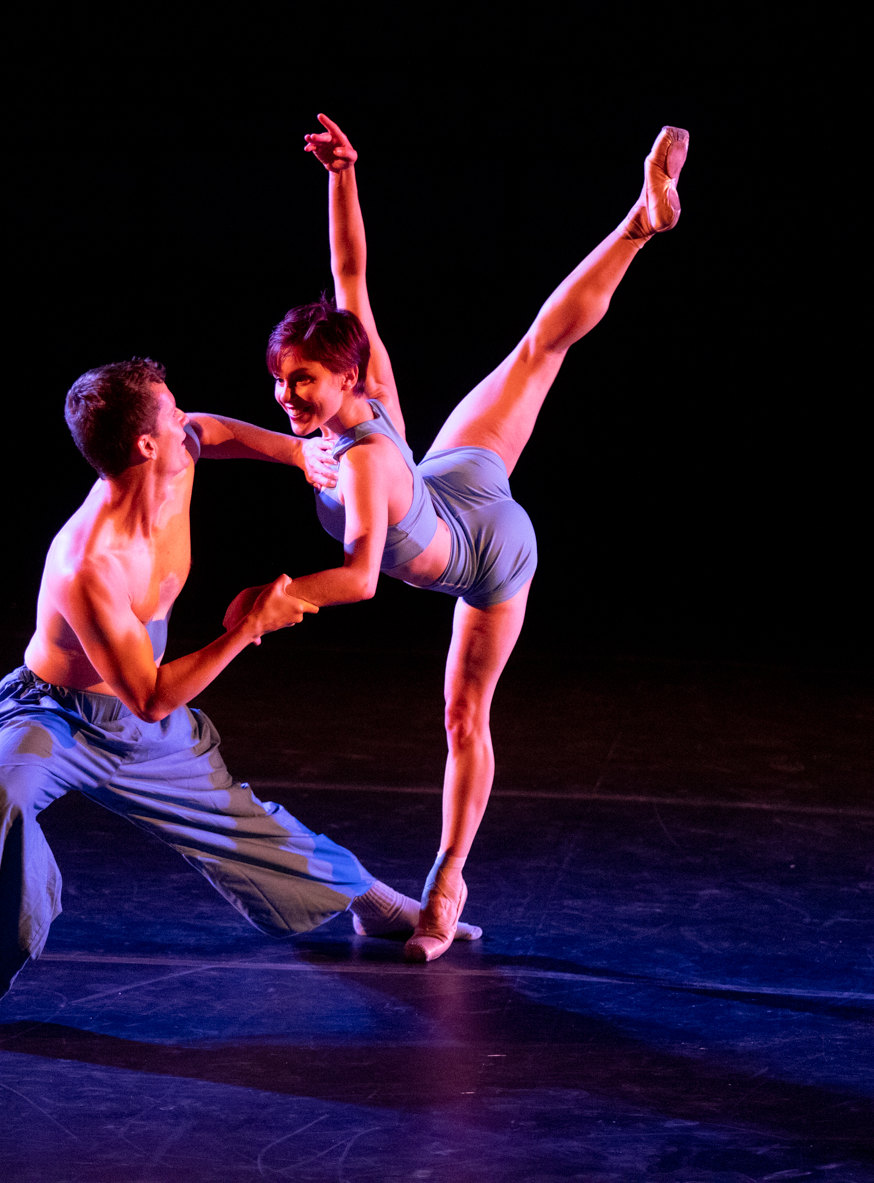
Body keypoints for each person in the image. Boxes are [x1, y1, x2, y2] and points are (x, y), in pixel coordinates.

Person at [0, 357, 475, 1040]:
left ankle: (372, 902)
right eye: (171, 415)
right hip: (53, 717)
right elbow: (149, 694)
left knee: (241, 819)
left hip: (136, 726)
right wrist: (247, 630)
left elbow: (215, 430)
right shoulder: (89, 564)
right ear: (144, 445)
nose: (186, 420)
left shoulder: (181, 456)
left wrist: (298, 455)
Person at [225, 115, 687, 963]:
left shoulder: (361, 462)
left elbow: (362, 577)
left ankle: (446, 885)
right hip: (452, 480)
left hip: (488, 554)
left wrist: (275, 602)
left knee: (463, 715)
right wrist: (342, 173)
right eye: (281, 381)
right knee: (539, 349)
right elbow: (350, 272)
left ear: (345, 376)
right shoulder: (370, 394)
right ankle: (639, 226)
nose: (288, 396)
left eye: (303, 381)